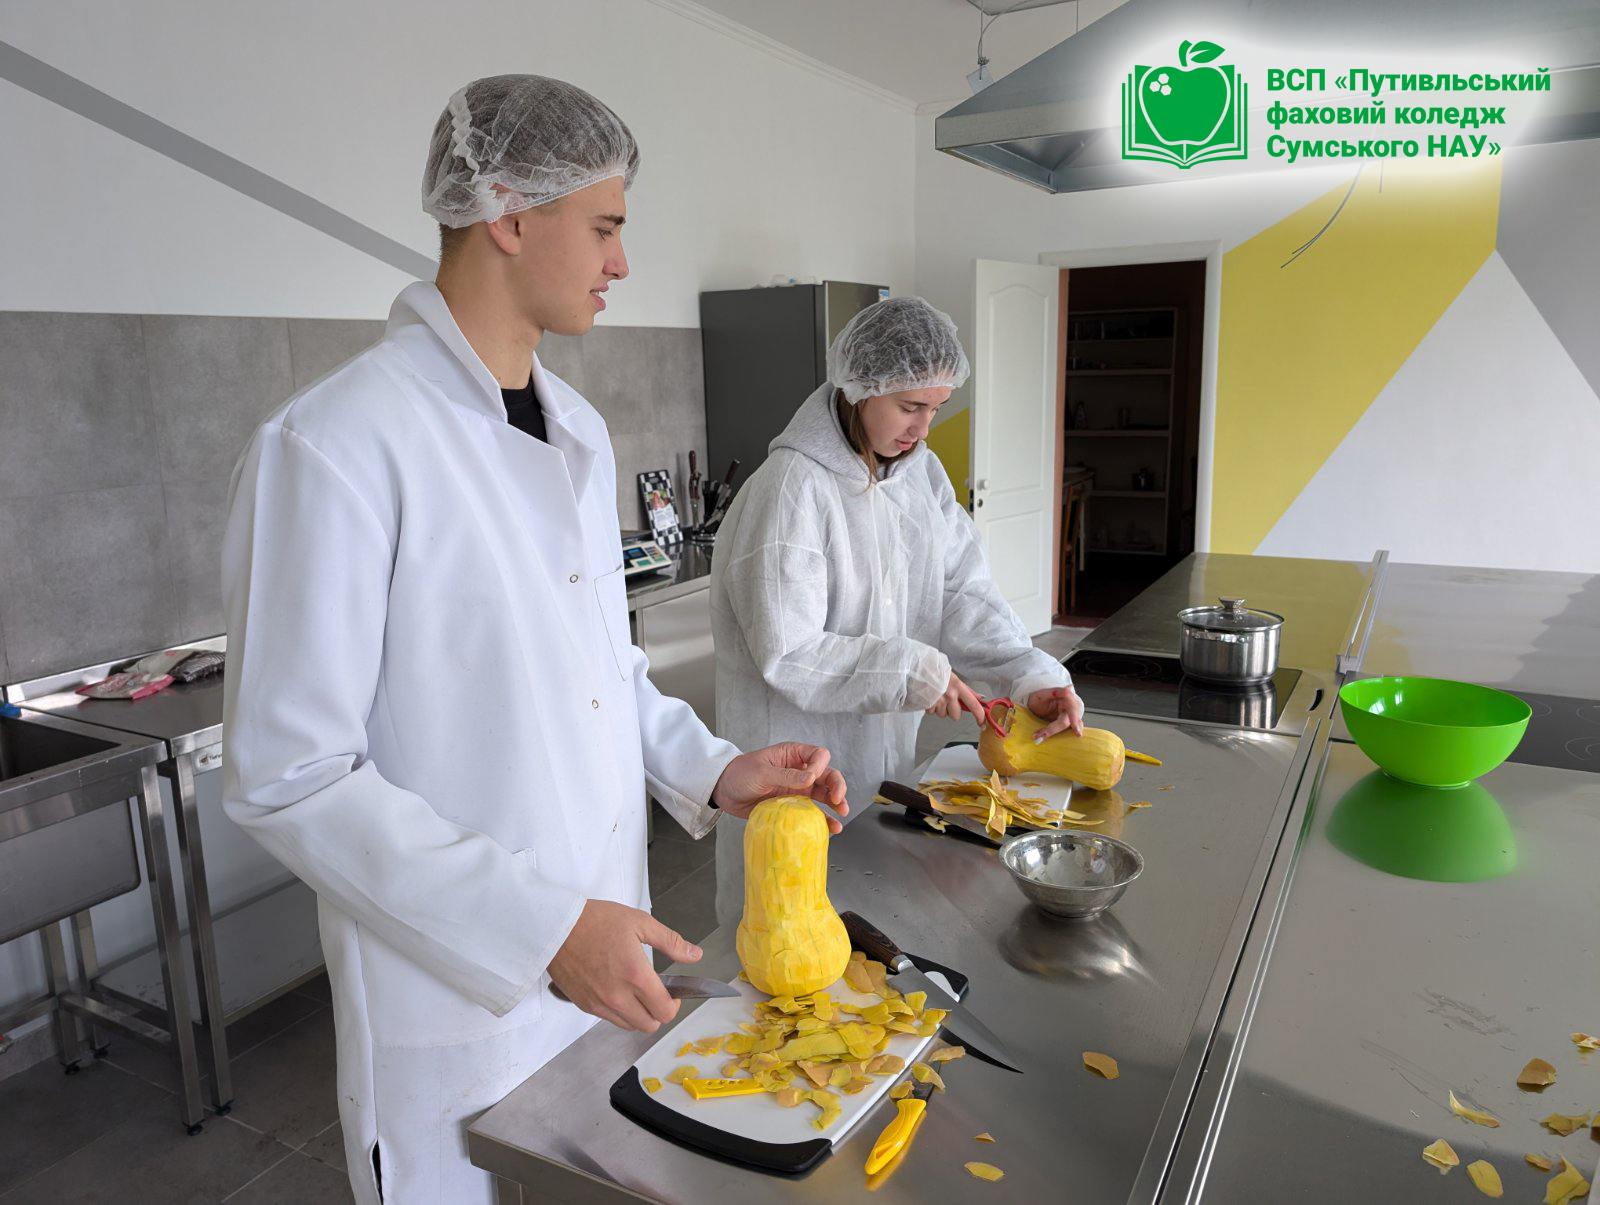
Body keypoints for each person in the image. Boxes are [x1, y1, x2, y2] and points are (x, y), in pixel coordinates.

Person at [220, 75, 846, 1205]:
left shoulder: (577, 434)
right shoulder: (337, 445)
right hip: (452, 1004)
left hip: (598, 977)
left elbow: (602, 673)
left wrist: (715, 768)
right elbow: (290, 775)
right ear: (507, 214)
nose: (621, 262)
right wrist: (543, 928)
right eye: (604, 228)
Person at [709, 296, 1082, 925]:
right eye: (910, 407)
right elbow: (789, 651)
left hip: (881, 773)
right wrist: (911, 671)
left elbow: (961, 592)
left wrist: (1029, 674)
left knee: (873, 933)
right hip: (793, 780)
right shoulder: (791, 489)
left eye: (937, 408)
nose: (924, 428)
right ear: (859, 388)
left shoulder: (920, 475)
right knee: (785, 941)